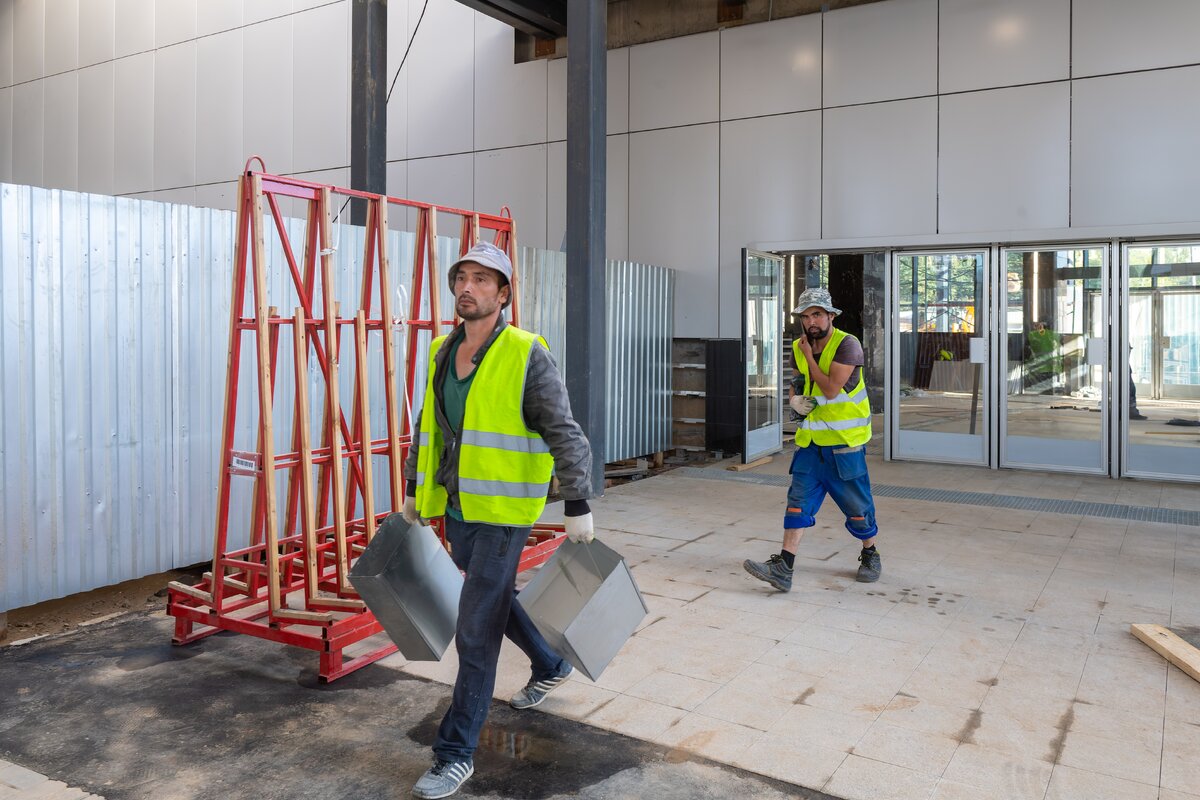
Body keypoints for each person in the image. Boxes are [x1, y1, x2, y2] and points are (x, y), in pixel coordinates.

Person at [401, 241, 595, 799]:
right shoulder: (443, 349)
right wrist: (417, 486)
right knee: (493, 598)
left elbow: (565, 431)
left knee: (476, 627)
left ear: (504, 294)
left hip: (507, 511)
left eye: (483, 280)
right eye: (462, 277)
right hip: (459, 507)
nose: (469, 287)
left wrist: (578, 504)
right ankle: (550, 662)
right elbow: (428, 425)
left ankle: (455, 753)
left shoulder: (526, 353)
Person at [743, 287, 880, 590]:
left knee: (858, 509)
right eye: (805, 317)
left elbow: (831, 389)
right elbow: (799, 382)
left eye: (817, 314)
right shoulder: (799, 346)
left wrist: (808, 355)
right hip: (810, 445)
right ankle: (784, 567)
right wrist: (793, 399)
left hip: (845, 446)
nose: (811, 322)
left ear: (831, 315)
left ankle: (870, 552)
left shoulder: (848, 345)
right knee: (797, 504)